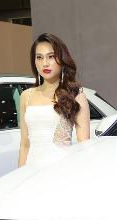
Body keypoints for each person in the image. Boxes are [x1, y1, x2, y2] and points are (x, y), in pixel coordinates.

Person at [18, 33, 90, 167]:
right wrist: (21, 174)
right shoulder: (26, 96)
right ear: (34, 62)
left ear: (62, 59)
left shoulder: (76, 96)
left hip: (61, 170)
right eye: (39, 57)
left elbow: (84, 147)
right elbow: (24, 145)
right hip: (31, 170)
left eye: (51, 56)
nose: (45, 63)